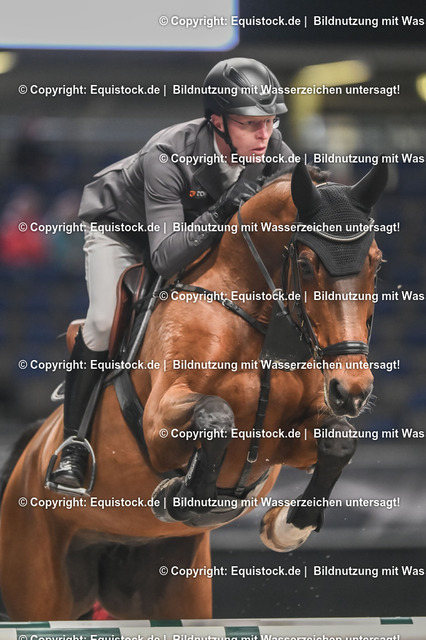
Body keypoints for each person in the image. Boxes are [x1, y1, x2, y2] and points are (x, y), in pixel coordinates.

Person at [50, 57, 293, 490]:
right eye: (250, 123)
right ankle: (73, 445)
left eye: (270, 122)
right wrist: (224, 208)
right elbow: (164, 258)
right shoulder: (168, 154)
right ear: (217, 121)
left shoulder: (272, 150)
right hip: (126, 234)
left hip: (191, 231)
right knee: (103, 322)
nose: (264, 134)